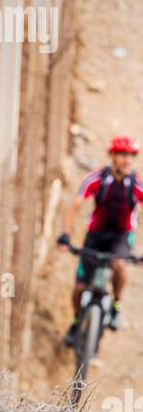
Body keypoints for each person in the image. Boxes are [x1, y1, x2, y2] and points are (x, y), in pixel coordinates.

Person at [57, 134, 143, 345]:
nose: (127, 159)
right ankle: (76, 321)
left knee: (119, 265)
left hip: (122, 234)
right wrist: (66, 234)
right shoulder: (97, 178)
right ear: (112, 156)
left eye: (131, 155)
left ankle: (116, 307)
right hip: (96, 233)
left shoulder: (137, 183)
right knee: (79, 287)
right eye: (122, 154)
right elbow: (74, 206)